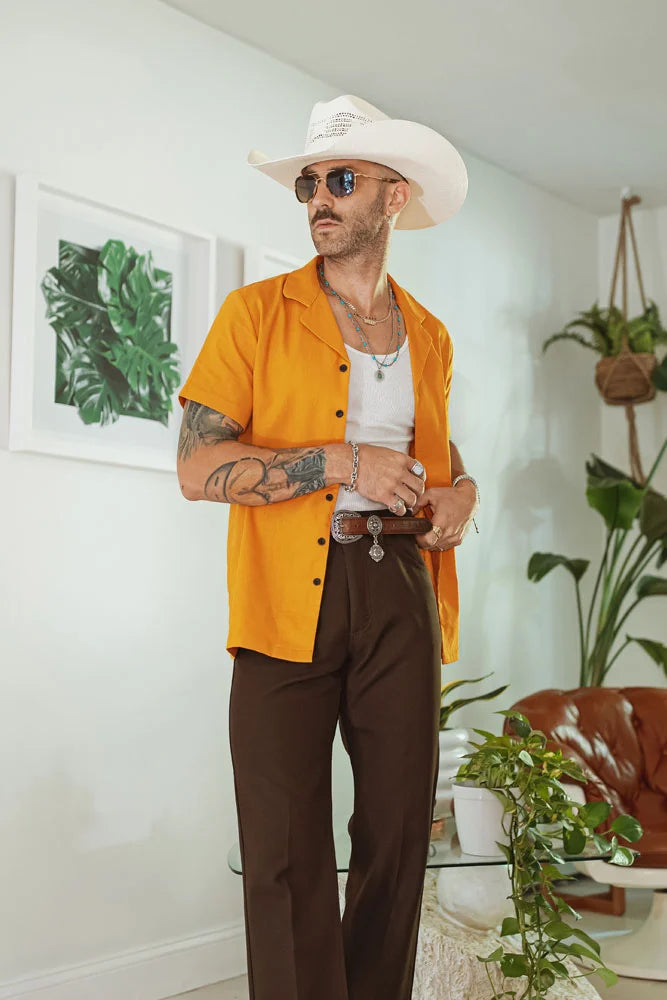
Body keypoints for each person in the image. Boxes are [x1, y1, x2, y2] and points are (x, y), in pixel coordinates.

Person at [176, 94, 480, 1000]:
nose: (318, 196)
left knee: (394, 835)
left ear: (393, 198)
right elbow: (197, 466)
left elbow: (431, 449)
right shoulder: (253, 315)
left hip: (402, 592)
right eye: (308, 181)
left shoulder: (427, 334)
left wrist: (462, 489)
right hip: (286, 596)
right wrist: (341, 462)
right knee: (282, 844)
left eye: (339, 180)